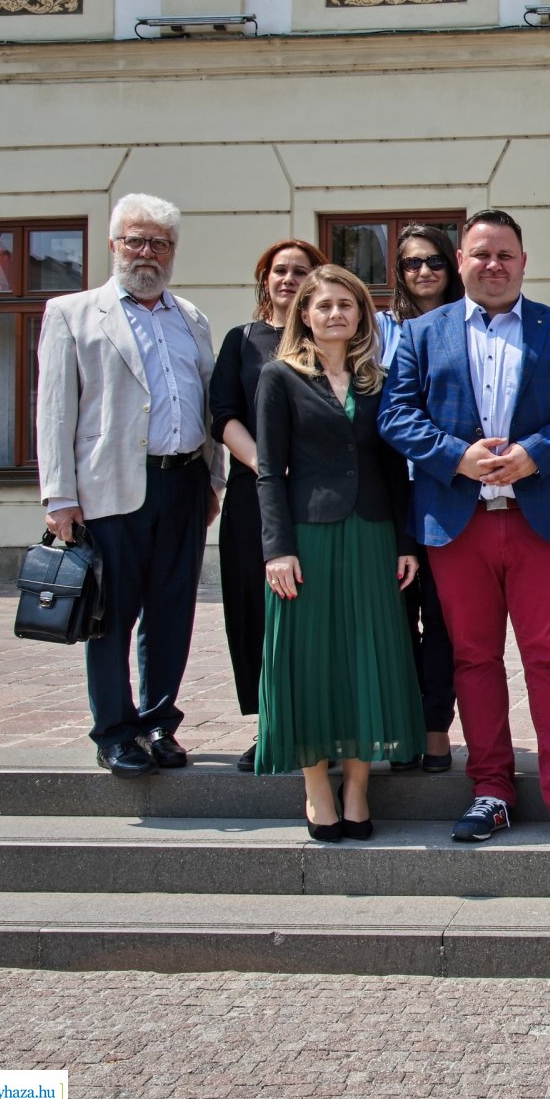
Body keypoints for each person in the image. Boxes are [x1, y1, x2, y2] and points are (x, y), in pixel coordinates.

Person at [380, 209, 550, 848]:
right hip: (459, 524)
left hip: (541, 522)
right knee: (473, 659)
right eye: (480, 254)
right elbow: (396, 414)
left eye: (505, 255)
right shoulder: (423, 334)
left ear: (523, 261)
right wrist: (453, 455)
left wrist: (537, 449)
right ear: (461, 261)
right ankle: (491, 788)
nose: (493, 265)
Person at [37, 193, 224, 778]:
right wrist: (59, 496)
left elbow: (208, 405)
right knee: (111, 617)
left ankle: (158, 722)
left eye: (160, 243)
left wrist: (214, 480)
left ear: (173, 252)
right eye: (136, 241)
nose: (147, 253)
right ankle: (115, 731)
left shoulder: (191, 318)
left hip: (185, 483)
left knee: (173, 613)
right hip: (109, 489)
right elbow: (54, 412)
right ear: (114, 245)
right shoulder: (72, 313)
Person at [254, 265, 421, 840]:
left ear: (361, 316)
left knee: (365, 656)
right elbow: (269, 472)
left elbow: (395, 469)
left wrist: (405, 542)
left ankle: (357, 786)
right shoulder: (280, 377)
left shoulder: (380, 380)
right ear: (305, 314)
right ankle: (316, 786)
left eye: (347, 305)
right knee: (309, 658)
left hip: (373, 532)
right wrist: (277, 549)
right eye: (323, 305)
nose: (335, 315)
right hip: (309, 537)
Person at [211, 238, 325, 774]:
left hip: (317, 499)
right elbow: (222, 414)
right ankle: (271, 727)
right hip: (255, 498)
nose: (288, 279)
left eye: (300, 271)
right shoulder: (242, 340)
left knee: (313, 613)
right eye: (279, 270)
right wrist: (264, 465)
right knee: (257, 612)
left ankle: (323, 725)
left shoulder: (330, 340)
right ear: (265, 280)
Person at [377, 225, 465, 773]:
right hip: (387, 492)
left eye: (434, 261)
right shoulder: (376, 329)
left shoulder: (465, 324)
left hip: (446, 490)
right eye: (412, 264)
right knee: (391, 616)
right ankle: (397, 726)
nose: (424, 271)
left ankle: (435, 728)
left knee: (443, 619)